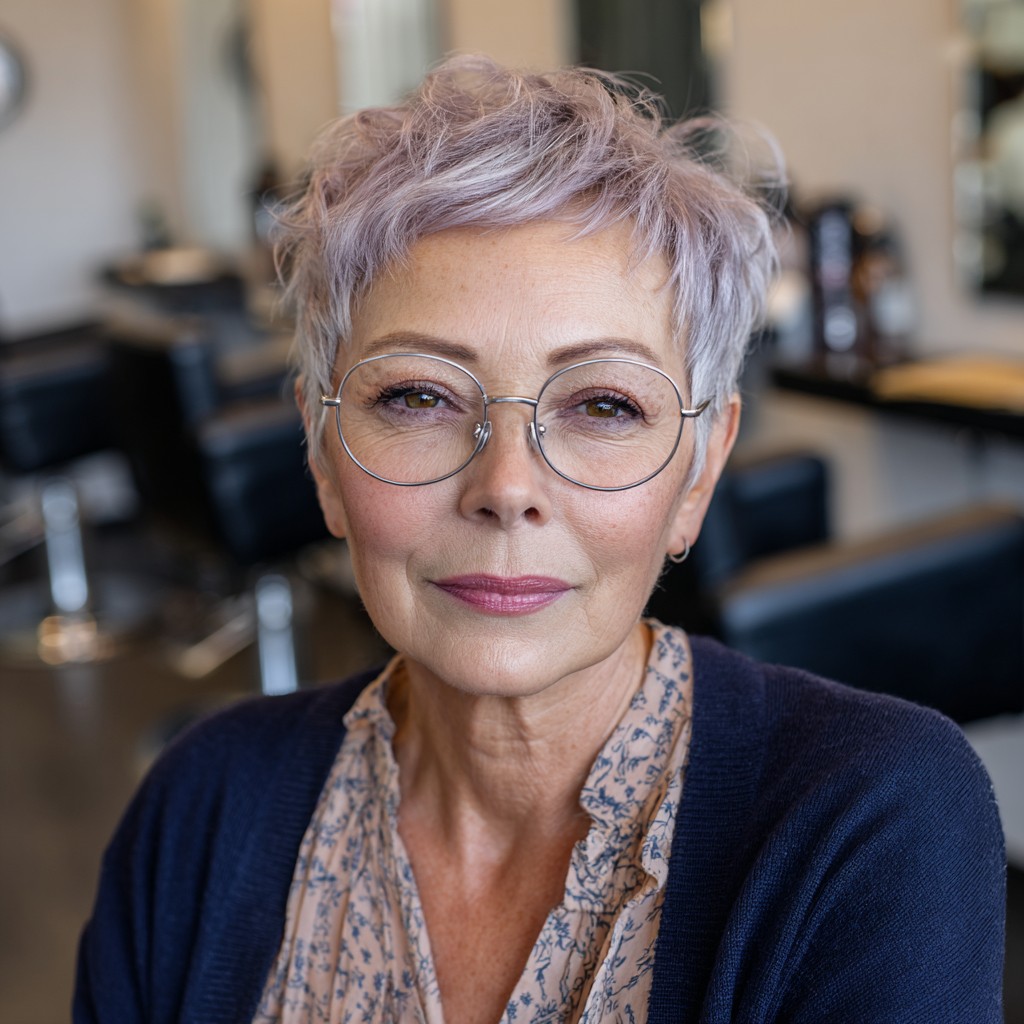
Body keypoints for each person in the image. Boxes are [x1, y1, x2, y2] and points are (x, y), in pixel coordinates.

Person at [74, 56, 1005, 1023]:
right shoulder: (196, 814)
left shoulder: (872, 822)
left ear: (699, 472)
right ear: (322, 449)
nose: (507, 489)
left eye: (603, 404)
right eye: (420, 397)